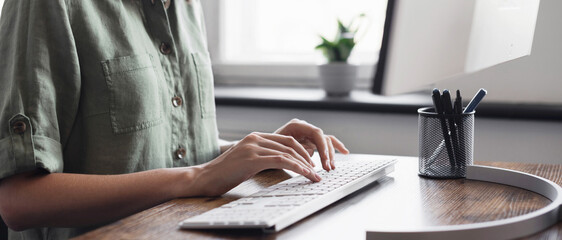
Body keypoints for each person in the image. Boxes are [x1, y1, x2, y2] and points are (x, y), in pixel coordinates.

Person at [0, 0, 349, 239]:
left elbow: (168, 155)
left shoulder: (187, 7)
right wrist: (200, 176)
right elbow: (18, 202)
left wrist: (254, 155)